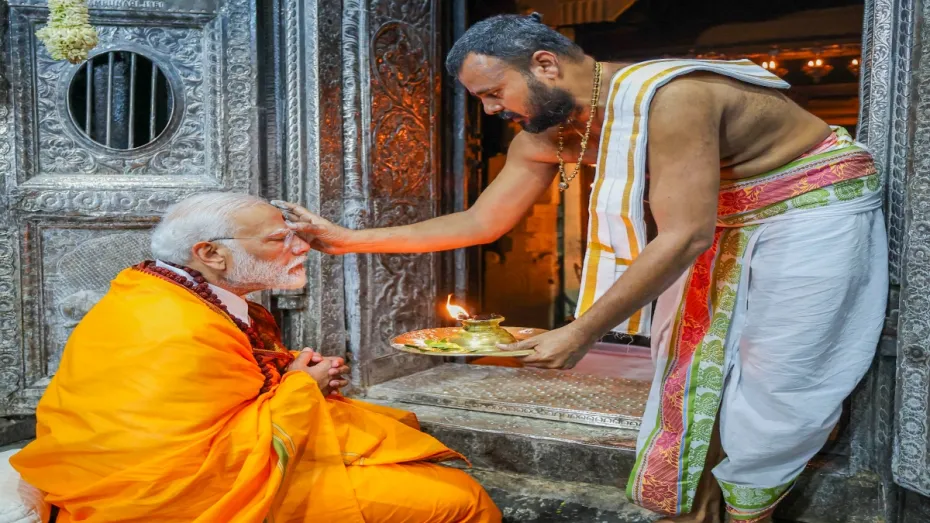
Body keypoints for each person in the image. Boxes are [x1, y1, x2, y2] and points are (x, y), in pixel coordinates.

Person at [275, 13, 888, 523]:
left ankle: (752, 508)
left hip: (811, 200)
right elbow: (481, 221)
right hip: (722, 214)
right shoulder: (547, 136)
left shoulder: (670, 98)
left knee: (779, 371)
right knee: (690, 362)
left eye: (494, 92)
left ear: (545, 65)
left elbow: (685, 234)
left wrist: (582, 330)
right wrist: (347, 240)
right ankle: (699, 503)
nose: (491, 110)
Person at [10, 192, 501, 523]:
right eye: (278, 239)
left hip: (193, 464)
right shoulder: (176, 323)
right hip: (170, 495)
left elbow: (225, 397)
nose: (301, 248)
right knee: (460, 500)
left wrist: (292, 374)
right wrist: (302, 386)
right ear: (211, 253)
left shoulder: (166, 289)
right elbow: (208, 455)